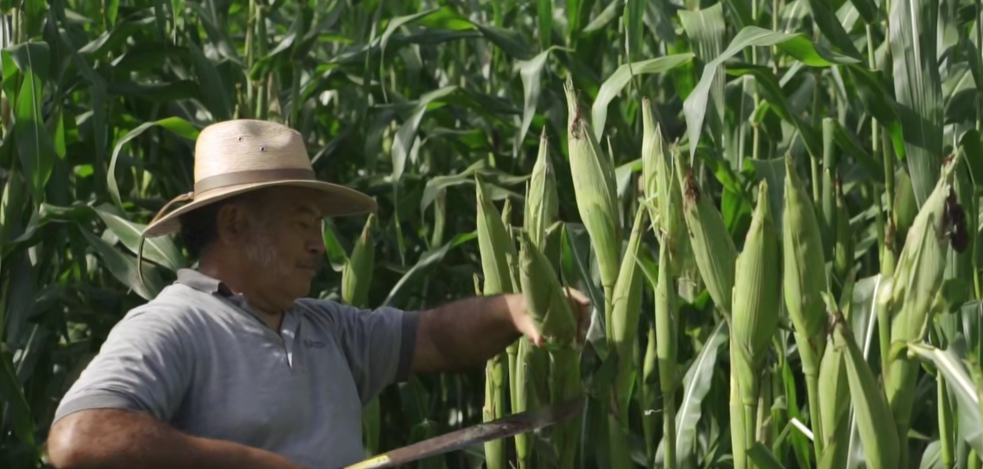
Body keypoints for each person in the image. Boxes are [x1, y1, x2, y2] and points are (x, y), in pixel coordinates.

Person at [44, 119, 590, 469]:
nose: (319, 247)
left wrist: (517, 308)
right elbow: (80, 438)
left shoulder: (325, 327)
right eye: (304, 223)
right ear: (234, 226)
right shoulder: (173, 325)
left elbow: (437, 338)